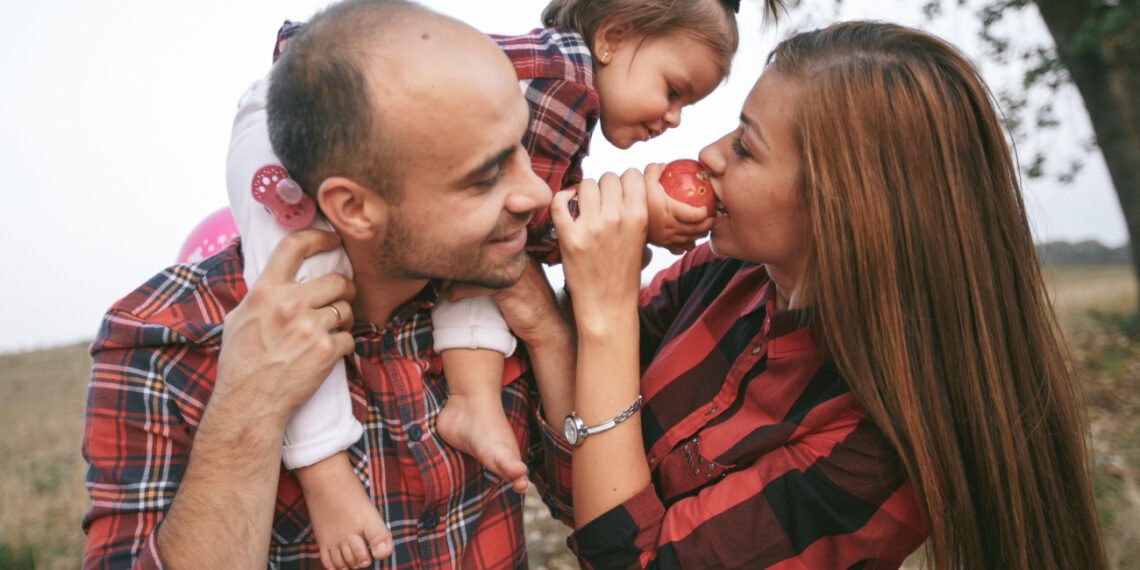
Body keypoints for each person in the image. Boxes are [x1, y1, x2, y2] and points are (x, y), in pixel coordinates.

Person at [509, 20, 1108, 569]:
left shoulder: (878, 447)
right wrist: (556, 315)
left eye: (746, 146)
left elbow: (622, 555)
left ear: (844, 207)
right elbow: (580, 478)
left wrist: (604, 312)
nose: (710, 153)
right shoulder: (725, 272)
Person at [225, 0, 783, 563]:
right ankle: (325, 473)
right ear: (612, 38)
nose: (675, 120)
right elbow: (526, 215)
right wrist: (630, 216)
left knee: (489, 262)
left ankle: (472, 398)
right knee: (302, 299)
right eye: (674, 90)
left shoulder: (570, 106)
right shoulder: (562, 77)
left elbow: (512, 222)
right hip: (290, 111)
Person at [80, 2, 582, 568]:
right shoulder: (163, 342)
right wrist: (249, 409)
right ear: (353, 207)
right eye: (485, 176)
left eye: (519, 147)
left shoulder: (493, 295)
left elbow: (591, 513)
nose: (536, 194)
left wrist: (550, 334)